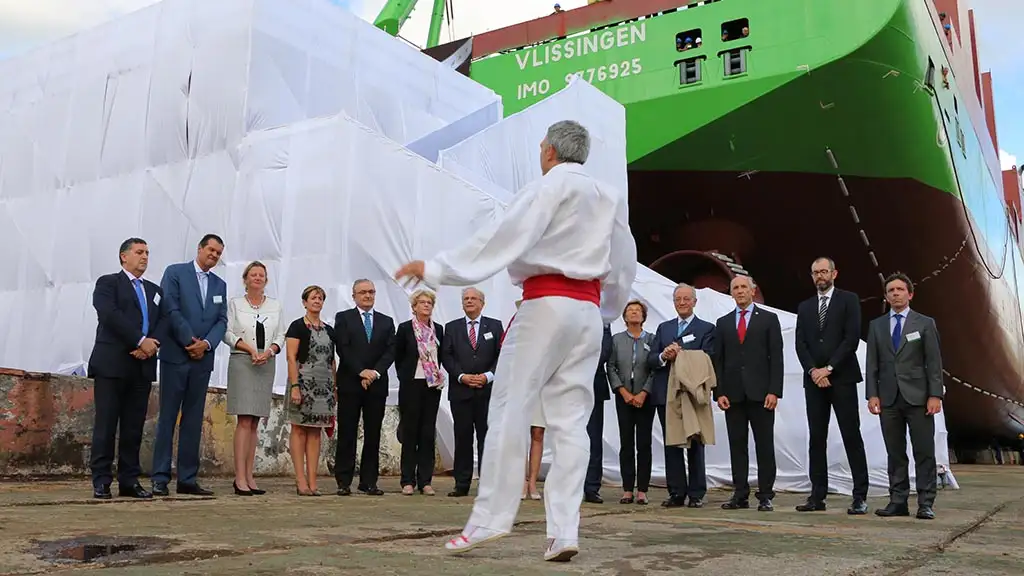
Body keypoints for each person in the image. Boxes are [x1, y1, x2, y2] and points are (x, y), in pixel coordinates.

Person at [394, 119, 637, 562]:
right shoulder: (608, 197)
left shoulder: (548, 186)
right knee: (571, 420)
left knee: (509, 407)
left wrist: (437, 269)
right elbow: (624, 261)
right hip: (588, 311)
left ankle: (490, 519)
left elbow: (502, 237)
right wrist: (605, 310)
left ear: (548, 151)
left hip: (545, 303)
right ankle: (563, 530)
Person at [152, 234, 228, 497]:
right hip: (176, 355)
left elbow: (221, 321)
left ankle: (187, 478)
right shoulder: (175, 273)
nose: (214, 255)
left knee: (194, 420)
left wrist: (206, 344)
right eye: (211, 249)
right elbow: (170, 309)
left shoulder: (220, 285)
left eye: (219, 253)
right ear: (199, 248)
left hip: (202, 360)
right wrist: (189, 340)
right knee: (168, 417)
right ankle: (160, 477)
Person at [88, 237, 163, 500]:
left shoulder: (154, 290)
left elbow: (162, 322)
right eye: (139, 252)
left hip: (142, 367)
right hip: (112, 364)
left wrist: (151, 344)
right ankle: (101, 480)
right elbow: (109, 315)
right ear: (124, 257)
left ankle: (129, 481)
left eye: (147, 252)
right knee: (106, 425)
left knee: (133, 428)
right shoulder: (108, 283)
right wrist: (139, 341)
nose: (144, 257)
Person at [866, 273, 943, 520]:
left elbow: (933, 362)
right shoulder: (876, 326)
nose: (895, 293)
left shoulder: (925, 323)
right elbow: (872, 364)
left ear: (910, 294)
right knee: (895, 452)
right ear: (886, 296)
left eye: (900, 289)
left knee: (924, 451)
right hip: (888, 398)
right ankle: (898, 500)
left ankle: (925, 502)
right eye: (891, 290)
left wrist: (935, 395)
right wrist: (872, 394)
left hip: (919, 398)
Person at [794, 257, 868, 514]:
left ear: (834, 273)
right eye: (815, 272)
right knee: (817, 438)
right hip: (814, 381)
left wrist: (830, 368)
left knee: (851, 435)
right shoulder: (804, 307)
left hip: (843, 377)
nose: (820, 276)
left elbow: (852, 338)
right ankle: (817, 496)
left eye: (824, 271)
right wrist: (814, 371)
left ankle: (859, 496)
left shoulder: (849, 300)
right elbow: (800, 343)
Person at [713, 275, 783, 512]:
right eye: (736, 288)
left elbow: (777, 358)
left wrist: (774, 390)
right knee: (737, 445)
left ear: (753, 291)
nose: (740, 291)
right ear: (731, 293)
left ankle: (765, 495)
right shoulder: (722, 323)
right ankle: (740, 493)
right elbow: (718, 361)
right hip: (732, 395)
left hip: (761, 394)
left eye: (744, 287)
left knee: (764, 445)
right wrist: (718, 391)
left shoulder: (769, 319)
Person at [648, 283, 715, 508]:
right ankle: (676, 492)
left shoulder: (706, 328)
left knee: (695, 442)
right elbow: (651, 359)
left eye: (687, 299)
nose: (682, 303)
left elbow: (708, 357)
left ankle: (696, 493)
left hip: (691, 394)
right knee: (672, 443)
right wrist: (663, 356)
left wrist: (681, 354)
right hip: (667, 394)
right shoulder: (664, 328)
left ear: (695, 302)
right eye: (678, 299)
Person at [224, 261, 285, 496]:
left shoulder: (275, 305)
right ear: (245, 279)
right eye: (253, 274)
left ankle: (250, 475)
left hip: (266, 362)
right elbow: (227, 332)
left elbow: (281, 333)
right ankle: (239, 477)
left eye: (262, 275)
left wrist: (270, 351)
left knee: (256, 420)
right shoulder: (235, 304)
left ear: (266, 280)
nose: (258, 278)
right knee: (244, 420)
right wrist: (249, 349)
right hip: (243, 360)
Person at [333, 279, 396, 496]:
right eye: (363, 292)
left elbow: (390, 351)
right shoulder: (343, 318)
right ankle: (343, 480)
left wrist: (374, 373)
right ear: (354, 296)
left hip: (376, 386)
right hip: (351, 383)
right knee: (347, 433)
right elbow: (343, 347)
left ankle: (369, 481)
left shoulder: (386, 322)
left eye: (371, 292)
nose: (367, 296)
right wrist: (361, 371)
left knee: (373, 434)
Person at [441, 287, 503, 498]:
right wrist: (461, 376)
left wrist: (488, 376)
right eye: (465, 299)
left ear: (482, 303)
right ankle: (462, 483)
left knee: (487, 438)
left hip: (487, 392)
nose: (469, 301)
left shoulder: (495, 326)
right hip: (461, 392)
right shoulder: (452, 328)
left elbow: (501, 356)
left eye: (473, 298)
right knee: (463, 438)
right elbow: (447, 357)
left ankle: (488, 485)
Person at [285, 285, 337, 496]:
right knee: (299, 429)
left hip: (324, 388)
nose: (317, 301)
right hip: (303, 383)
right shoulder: (297, 327)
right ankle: (300, 481)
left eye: (320, 298)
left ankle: (313, 482)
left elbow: (332, 360)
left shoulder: (329, 330)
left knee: (316, 432)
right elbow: (291, 357)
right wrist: (295, 386)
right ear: (304, 302)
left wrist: (335, 387)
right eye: (313, 298)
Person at [395, 289, 446, 496]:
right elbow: (398, 356)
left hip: (432, 386)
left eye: (429, 303)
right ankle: (407, 480)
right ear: (414, 306)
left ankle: (425, 480)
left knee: (427, 433)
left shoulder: (439, 330)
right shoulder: (405, 328)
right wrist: (405, 377)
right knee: (410, 433)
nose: (426, 306)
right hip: (411, 385)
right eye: (422, 302)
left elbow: (441, 355)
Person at [606, 300, 656, 505]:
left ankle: (642, 489)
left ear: (643, 316)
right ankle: (627, 489)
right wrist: (623, 392)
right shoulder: (616, 340)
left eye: (638, 311)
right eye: (630, 311)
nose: (634, 313)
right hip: (624, 397)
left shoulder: (652, 339)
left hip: (646, 398)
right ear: (624, 317)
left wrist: (644, 392)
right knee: (626, 442)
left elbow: (655, 368)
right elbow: (611, 366)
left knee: (644, 443)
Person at [583, 323, 613, 504]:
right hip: (569, 386)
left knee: (594, 439)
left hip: (594, 386)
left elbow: (604, 352)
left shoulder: (603, 322)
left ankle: (591, 487)